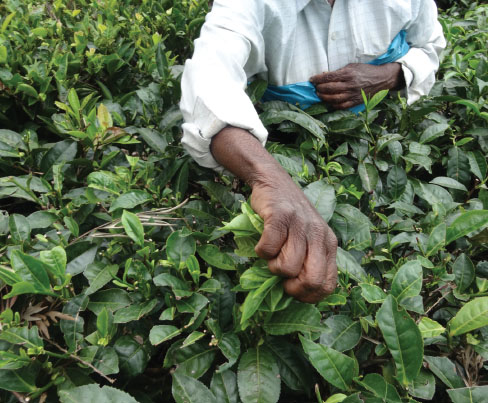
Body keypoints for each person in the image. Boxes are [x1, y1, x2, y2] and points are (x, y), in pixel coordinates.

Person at [179, 0, 446, 303]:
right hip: (287, 147)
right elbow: (209, 81)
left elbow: (429, 47)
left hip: (381, 147)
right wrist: (271, 181)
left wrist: (387, 76)